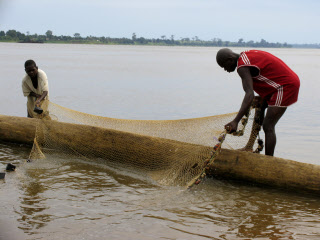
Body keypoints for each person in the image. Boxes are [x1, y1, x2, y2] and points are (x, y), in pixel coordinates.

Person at [216, 48, 300, 156]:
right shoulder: (245, 55)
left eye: (224, 66)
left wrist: (236, 121)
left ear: (230, 59)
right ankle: (249, 147)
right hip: (276, 86)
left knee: (268, 125)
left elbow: (249, 94)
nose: (225, 70)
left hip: (284, 86)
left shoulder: (242, 66)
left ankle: (268, 162)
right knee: (259, 112)